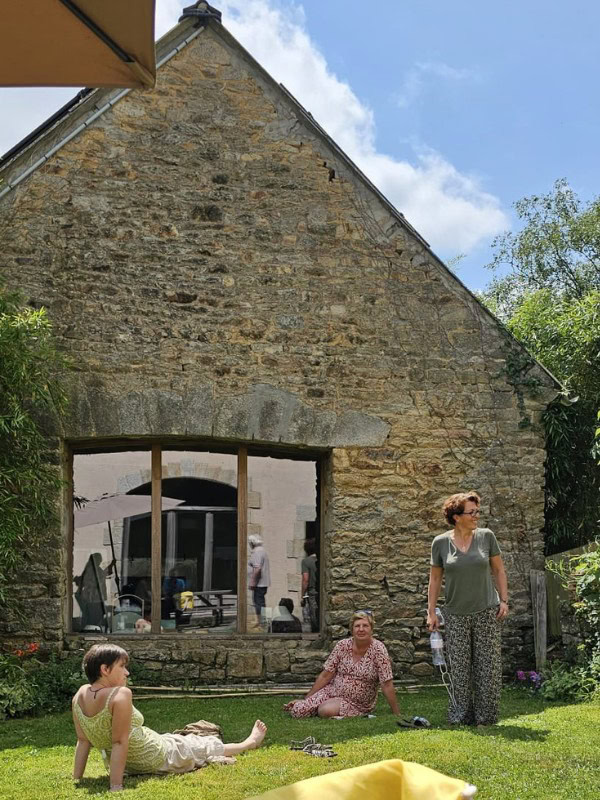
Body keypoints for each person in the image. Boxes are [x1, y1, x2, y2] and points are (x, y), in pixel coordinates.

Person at [72, 644, 267, 792]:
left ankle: (211, 751)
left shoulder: (80, 695)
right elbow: (119, 742)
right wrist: (116, 787)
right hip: (155, 756)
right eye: (122, 666)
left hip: (130, 763)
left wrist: (77, 779)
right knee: (202, 744)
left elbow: (83, 740)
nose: (127, 672)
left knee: (181, 739)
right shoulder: (120, 694)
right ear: (105, 670)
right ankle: (248, 743)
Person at [427, 491, 509, 726]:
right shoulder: (440, 543)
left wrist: (504, 600)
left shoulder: (486, 537)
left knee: (488, 667)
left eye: (477, 511)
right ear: (456, 517)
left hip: (486, 610)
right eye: (471, 512)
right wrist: (431, 612)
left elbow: (499, 570)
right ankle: (461, 716)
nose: (476, 516)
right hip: (455, 614)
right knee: (460, 669)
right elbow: (434, 580)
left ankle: (486, 717)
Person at [283, 611, 400, 718]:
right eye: (357, 626)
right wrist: (307, 699)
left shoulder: (379, 649)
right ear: (352, 629)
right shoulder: (342, 645)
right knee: (298, 711)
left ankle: (348, 711)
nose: (361, 629)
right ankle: (316, 706)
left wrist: (396, 713)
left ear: (371, 629)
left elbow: (386, 683)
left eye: (365, 626)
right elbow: (326, 675)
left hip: (358, 703)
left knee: (325, 710)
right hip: (333, 691)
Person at [248, 534, 271, 623]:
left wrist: (252, 582)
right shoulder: (261, 551)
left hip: (259, 583)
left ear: (252, 543)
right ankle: (262, 621)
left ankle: (261, 622)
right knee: (260, 602)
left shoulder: (257, 552)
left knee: (258, 603)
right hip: (261, 583)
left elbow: (257, 569)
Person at [301, 538, 319, 632]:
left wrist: (302, 595)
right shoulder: (320, 560)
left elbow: (305, 579)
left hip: (312, 592)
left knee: (314, 617)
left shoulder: (306, 561)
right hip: (321, 591)